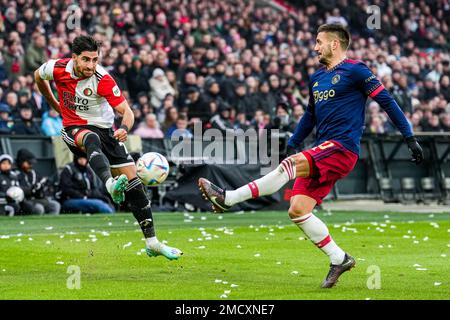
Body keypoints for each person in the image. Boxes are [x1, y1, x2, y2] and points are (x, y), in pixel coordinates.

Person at [198, 24, 424, 288]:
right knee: (297, 210)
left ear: (335, 44)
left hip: (342, 148)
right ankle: (339, 258)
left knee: (289, 166)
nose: (315, 47)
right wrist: (293, 143)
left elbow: (388, 102)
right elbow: (310, 116)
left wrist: (409, 137)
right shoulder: (316, 78)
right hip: (323, 149)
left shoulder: (356, 70)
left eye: (319, 42)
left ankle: (229, 198)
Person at [34, 35, 182, 260]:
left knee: (135, 186)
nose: (91, 65)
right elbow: (38, 75)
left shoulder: (103, 78)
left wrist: (124, 128)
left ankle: (152, 243)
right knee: (91, 137)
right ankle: (110, 184)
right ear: (74, 58)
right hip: (75, 128)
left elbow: (128, 112)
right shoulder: (57, 67)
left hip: (108, 133)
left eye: (95, 60)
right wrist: (54, 103)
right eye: (86, 60)